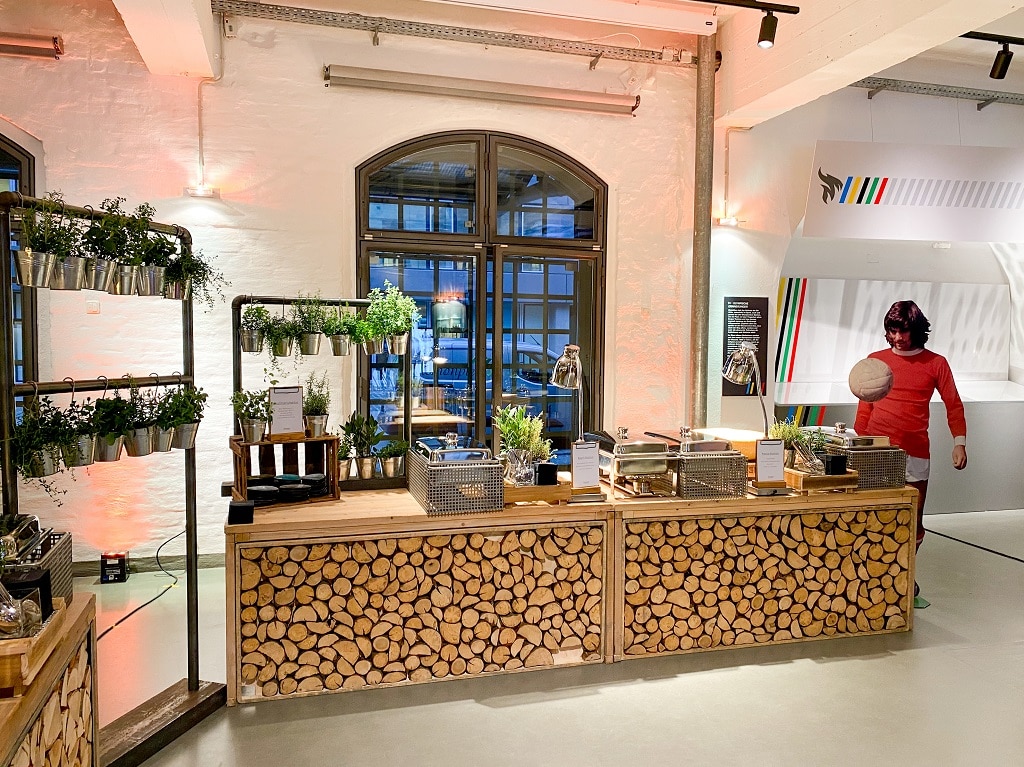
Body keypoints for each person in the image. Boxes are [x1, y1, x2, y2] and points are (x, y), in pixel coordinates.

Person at [854, 300, 968, 600]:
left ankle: (906, 575)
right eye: (892, 331)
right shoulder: (875, 361)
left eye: (903, 331)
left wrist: (959, 442)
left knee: (913, 518)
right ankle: (875, 577)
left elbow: (953, 405)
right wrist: (859, 446)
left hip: (915, 452)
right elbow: (864, 409)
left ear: (916, 330)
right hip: (877, 452)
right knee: (873, 515)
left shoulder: (936, 363)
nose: (898, 338)